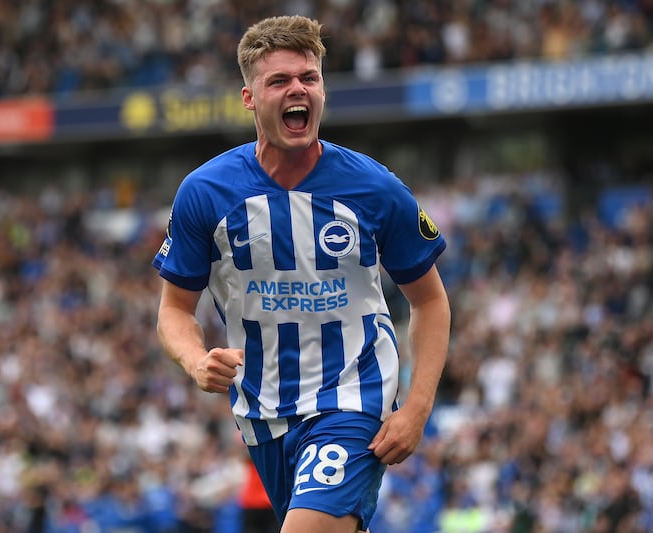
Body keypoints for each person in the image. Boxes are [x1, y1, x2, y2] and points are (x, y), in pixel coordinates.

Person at [153, 15, 450, 533]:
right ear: (249, 97)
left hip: (353, 400)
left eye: (309, 78)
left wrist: (417, 407)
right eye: (280, 81)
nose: (299, 90)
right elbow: (174, 311)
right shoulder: (205, 192)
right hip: (263, 416)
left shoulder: (374, 188)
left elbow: (431, 301)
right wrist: (196, 361)